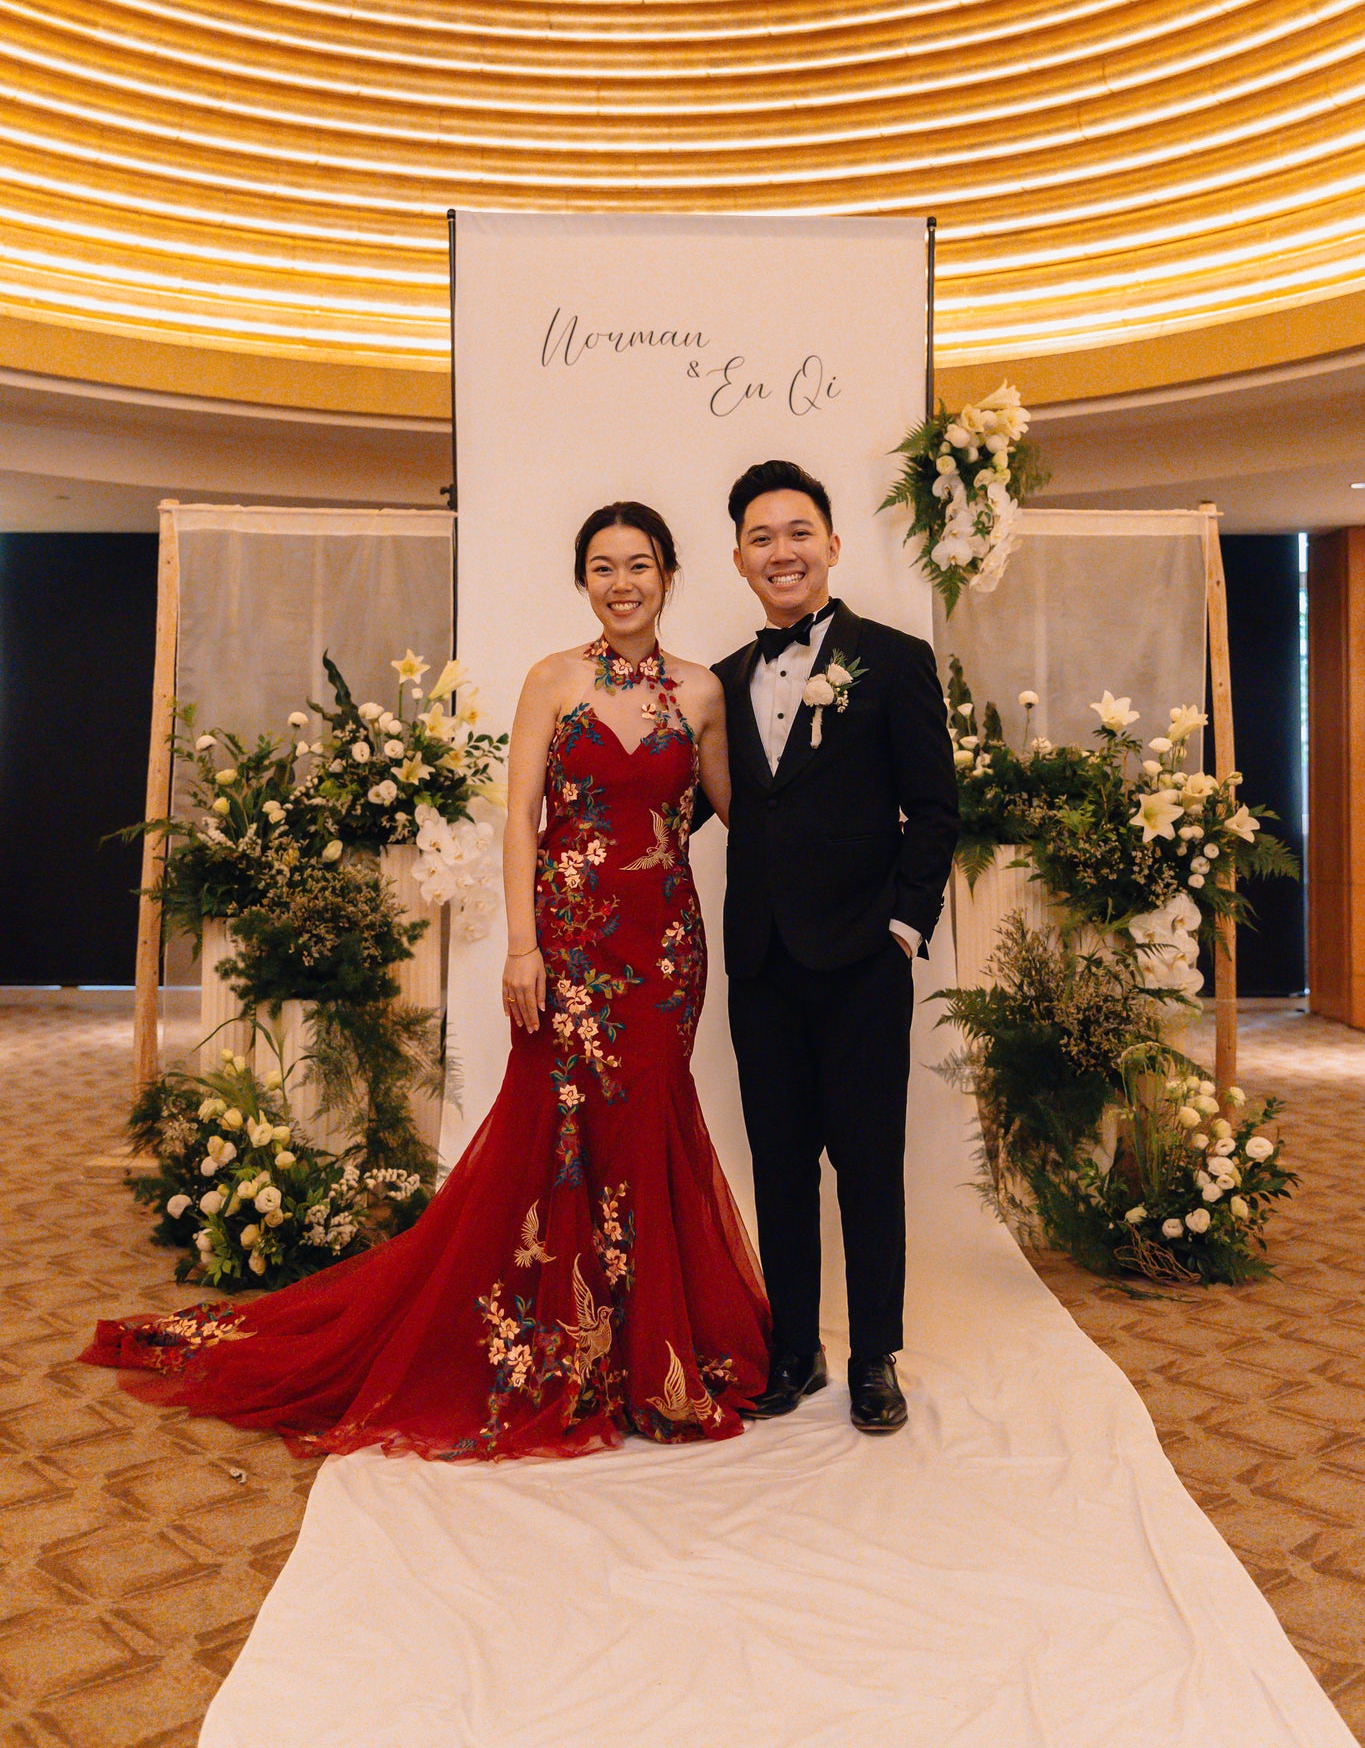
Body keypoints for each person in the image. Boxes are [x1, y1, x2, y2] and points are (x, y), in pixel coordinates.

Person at [82, 502, 769, 1461]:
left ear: (668, 576)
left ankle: (646, 1353)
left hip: (663, 955)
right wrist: (522, 948)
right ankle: (564, 1352)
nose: (623, 583)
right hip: (567, 947)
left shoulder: (700, 692)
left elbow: (742, 812)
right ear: (584, 580)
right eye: (604, 567)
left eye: (641, 565)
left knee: (646, 1123)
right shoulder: (551, 680)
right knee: (562, 1133)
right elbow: (520, 821)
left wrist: (848, 827)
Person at [709, 460, 958, 1435]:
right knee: (778, 1161)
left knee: (866, 1160)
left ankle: (874, 1356)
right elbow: (687, 804)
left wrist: (903, 926)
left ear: (832, 544)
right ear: (739, 557)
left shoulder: (893, 659)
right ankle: (794, 1349)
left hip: (861, 958)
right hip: (760, 962)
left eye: (798, 530)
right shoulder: (724, 681)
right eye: (762, 536)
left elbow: (935, 808)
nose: (783, 549)